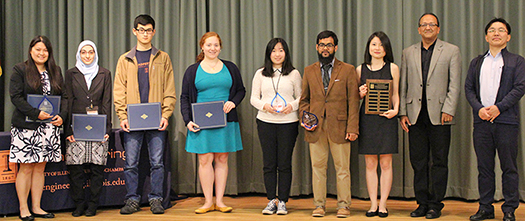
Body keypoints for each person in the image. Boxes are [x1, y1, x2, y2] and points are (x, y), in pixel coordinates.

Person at [399, 13, 461, 219]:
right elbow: (403, 85)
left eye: (431, 24)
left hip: (441, 115)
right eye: (423, 25)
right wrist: (403, 113)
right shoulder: (408, 52)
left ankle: (436, 204)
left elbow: (454, 84)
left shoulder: (451, 51)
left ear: (438, 28)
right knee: (418, 161)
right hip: (415, 115)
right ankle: (422, 203)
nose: (427, 27)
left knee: (440, 161)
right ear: (418, 29)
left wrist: (449, 109)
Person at [114, 14, 176, 215]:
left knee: (157, 163)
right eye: (141, 30)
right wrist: (122, 116)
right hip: (132, 120)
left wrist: (165, 115)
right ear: (134, 32)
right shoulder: (125, 59)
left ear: (154, 32)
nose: (145, 33)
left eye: (148, 30)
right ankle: (132, 199)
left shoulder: (162, 57)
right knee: (131, 163)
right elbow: (119, 90)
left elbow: (169, 89)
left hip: (156, 119)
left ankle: (156, 199)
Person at [465, 18, 525, 221]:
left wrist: (499, 108)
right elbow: (469, 89)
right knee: (484, 167)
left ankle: (509, 209)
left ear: (508, 36)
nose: (496, 33)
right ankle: (485, 208)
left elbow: (519, 88)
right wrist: (479, 109)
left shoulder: (517, 61)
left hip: (506, 121)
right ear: (486, 36)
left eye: (501, 30)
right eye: (492, 30)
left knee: (509, 167)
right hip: (482, 122)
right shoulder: (476, 62)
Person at [181, 31, 245, 214]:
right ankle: (208, 202)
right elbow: (184, 97)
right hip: (201, 123)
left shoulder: (230, 67)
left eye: (216, 45)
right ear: (202, 46)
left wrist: (233, 102)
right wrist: (187, 120)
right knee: (205, 159)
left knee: (222, 158)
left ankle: (220, 201)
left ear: (220, 47)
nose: (212, 48)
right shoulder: (192, 70)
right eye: (209, 45)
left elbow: (241, 90)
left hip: (225, 121)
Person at [299, 30, 360, 218]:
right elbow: (304, 101)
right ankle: (319, 205)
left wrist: (352, 128)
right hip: (315, 128)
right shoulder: (309, 70)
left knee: (342, 169)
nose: (326, 48)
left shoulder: (348, 70)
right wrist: (305, 118)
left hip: (340, 128)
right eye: (322, 45)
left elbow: (354, 101)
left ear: (336, 47)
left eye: (329, 45)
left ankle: (344, 205)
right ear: (317, 47)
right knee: (318, 168)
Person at [9, 35, 66, 221]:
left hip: (49, 128)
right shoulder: (20, 69)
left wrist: (61, 117)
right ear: (31, 50)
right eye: (38, 49)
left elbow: (64, 98)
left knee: (41, 168)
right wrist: (35, 113)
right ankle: (24, 208)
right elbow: (16, 97)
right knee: (25, 168)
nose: (42, 53)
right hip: (27, 127)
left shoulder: (55, 71)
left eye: (45, 50)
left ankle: (37, 206)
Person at [250, 38, 302, 215]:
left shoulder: (294, 74)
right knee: (269, 163)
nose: (277, 54)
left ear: (286, 53)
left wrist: (291, 106)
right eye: (274, 50)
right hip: (266, 122)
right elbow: (253, 98)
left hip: (288, 123)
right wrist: (265, 106)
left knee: (284, 163)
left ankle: (283, 201)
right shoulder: (260, 74)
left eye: (281, 50)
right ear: (268, 53)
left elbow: (302, 97)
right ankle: (271, 199)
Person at [64, 40, 112, 217]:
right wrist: (68, 130)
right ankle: (78, 204)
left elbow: (106, 102)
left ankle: (93, 205)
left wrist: (107, 129)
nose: (87, 55)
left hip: (98, 127)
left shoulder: (104, 73)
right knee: (76, 170)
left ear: (95, 54)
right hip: (76, 128)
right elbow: (67, 101)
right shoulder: (71, 74)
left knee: (97, 169)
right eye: (83, 52)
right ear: (79, 54)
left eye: (90, 52)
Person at [356, 31, 399, 218]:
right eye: (374, 44)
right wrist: (360, 93)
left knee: (386, 163)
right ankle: (373, 204)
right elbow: (355, 97)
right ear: (368, 47)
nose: (377, 48)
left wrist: (396, 110)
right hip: (367, 120)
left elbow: (395, 94)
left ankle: (383, 204)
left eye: (381, 45)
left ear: (386, 48)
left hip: (387, 119)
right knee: (370, 163)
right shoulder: (360, 69)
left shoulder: (393, 68)